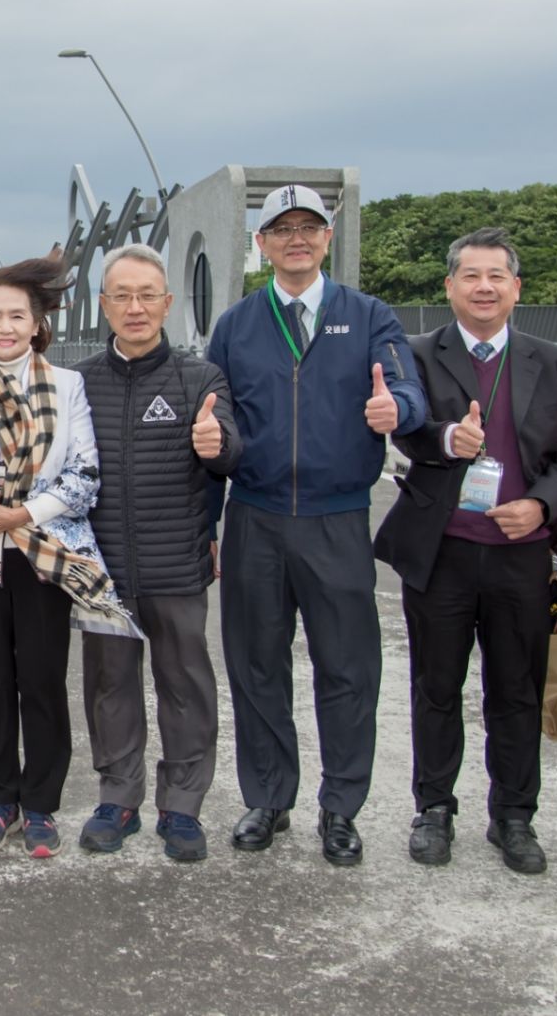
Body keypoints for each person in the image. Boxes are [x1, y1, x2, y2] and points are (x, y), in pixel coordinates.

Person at [205, 183, 425, 865]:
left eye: (310, 227)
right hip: (257, 518)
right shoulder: (237, 323)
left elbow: (408, 391)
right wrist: (208, 522)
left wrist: (401, 413)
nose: (296, 238)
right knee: (256, 663)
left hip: (336, 520)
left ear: (328, 239)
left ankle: (340, 807)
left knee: (348, 667)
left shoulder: (368, 316)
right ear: (263, 243)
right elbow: (218, 424)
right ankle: (269, 797)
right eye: (281, 228)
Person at [373, 228, 557, 874]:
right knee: (436, 686)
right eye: (470, 275)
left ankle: (514, 815)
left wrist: (543, 504)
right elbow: (408, 427)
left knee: (517, 689)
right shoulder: (416, 352)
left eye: (497, 275)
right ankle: (434, 808)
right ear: (450, 286)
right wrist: (446, 437)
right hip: (442, 550)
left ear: (516, 287)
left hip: (519, 551)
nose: (484, 286)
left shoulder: (552, 361)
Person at [0, 258, 140, 858]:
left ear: (38, 323)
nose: (5, 326)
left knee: (42, 683)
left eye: (17, 315)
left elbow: (84, 474)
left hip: (41, 554)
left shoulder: (67, 386)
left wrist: (21, 516)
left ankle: (40, 806)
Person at [70, 244, 238, 862]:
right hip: (101, 571)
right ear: (104, 305)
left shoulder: (201, 378)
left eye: (148, 295)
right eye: (122, 295)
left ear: (168, 303)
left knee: (185, 683)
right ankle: (118, 797)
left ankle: (183, 806)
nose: (135, 307)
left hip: (178, 565)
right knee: (109, 684)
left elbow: (233, 452)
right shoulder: (78, 383)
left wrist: (215, 443)